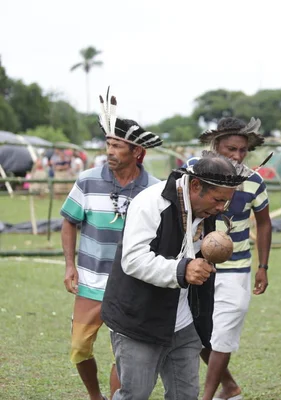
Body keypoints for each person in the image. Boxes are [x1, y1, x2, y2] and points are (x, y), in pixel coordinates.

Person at [101, 150, 251, 400]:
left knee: (185, 395)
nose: (220, 208)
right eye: (217, 200)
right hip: (140, 321)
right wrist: (182, 269)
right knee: (135, 394)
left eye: (225, 202)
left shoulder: (207, 210)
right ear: (195, 186)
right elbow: (133, 260)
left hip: (184, 323)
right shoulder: (150, 202)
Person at [60, 89, 163, 400]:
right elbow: (69, 220)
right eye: (108, 144)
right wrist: (69, 264)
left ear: (138, 153)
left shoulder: (155, 190)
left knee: (126, 355)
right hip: (90, 282)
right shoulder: (87, 180)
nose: (110, 151)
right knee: (79, 347)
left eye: (118, 146)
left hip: (132, 285)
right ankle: (95, 395)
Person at [198, 117, 272, 400]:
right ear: (216, 145)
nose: (238, 156)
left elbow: (264, 223)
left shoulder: (255, 182)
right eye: (231, 149)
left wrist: (263, 267)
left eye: (243, 150)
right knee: (195, 333)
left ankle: (207, 396)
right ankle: (229, 386)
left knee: (224, 334)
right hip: (198, 267)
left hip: (237, 269)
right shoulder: (194, 173)